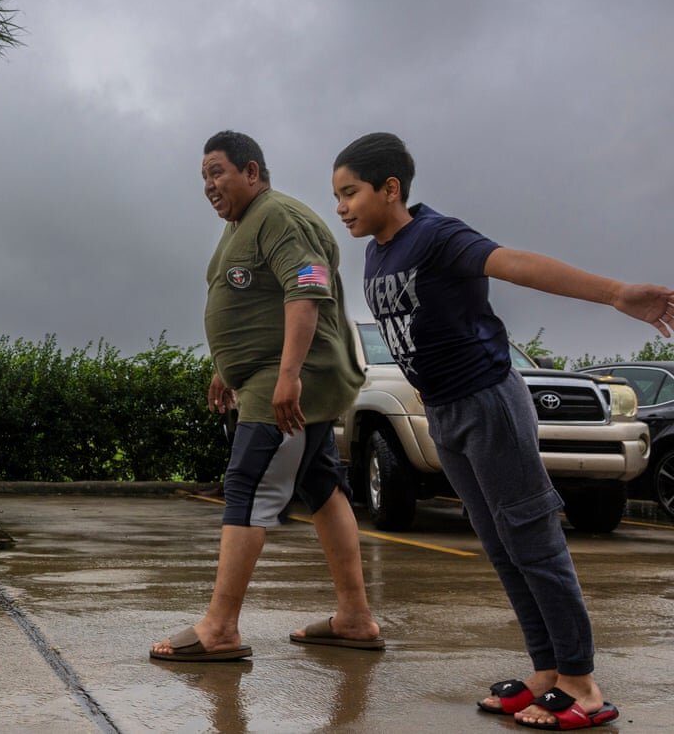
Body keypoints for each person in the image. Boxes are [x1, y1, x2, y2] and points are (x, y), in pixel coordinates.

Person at [331, 131, 674, 730]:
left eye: (350, 192)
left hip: (488, 401)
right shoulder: (377, 254)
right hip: (445, 411)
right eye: (336, 195)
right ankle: (547, 671)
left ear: (391, 189)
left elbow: (514, 264)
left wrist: (618, 294)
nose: (342, 206)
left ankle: (583, 684)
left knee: (533, 538)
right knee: (499, 544)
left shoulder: (436, 235)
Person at [150, 130, 383, 663]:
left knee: (247, 485)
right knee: (322, 487)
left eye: (217, 172)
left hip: (289, 383)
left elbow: (307, 287)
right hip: (261, 377)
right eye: (203, 176)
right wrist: (224, 368)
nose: (208, 185)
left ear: (251, 172)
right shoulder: (241, 225)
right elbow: (248, 302)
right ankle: (353, 618)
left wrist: (288, 376)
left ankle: (221, 628)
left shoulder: (279, 216)